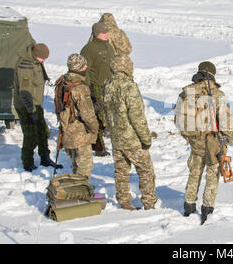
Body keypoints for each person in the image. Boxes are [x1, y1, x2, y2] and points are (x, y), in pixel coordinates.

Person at [174, 61, 233, 224]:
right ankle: (207, 209)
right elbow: (225, 120)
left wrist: (189, 137)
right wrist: (226, 140)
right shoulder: (217, 93)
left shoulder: (187, 93)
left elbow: (178, 120)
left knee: (194, 173)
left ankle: (189, 205)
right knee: (212, 175)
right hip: (213, 142)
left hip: (195, 142)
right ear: (213, 74)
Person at [103, 54, 158, 210]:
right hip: (132, 139)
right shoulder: (129, 86)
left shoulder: (108, 84)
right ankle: (149, 202)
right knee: (145, 170)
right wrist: (145, 138)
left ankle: (124, 201)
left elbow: (105, 112)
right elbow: (137, 116)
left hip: (116, 137)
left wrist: (111, 128)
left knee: (121, 171)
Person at [13, 43, 62, 172]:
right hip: (26, 106)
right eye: (43, 58)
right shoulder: (26, 66)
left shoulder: (35, 62)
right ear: (35, 55)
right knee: (31, 135)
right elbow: (24, 92)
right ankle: (28, 162)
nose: (44, 61)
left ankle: (45, 157)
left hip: (36, 104)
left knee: (42, 132)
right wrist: (31, 111)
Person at [54, 54, 98, 182]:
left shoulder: (62, 82)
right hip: (80, 134)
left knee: (75, 165)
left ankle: (76, 192)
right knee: (84, 168)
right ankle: (81, 195)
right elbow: (88, 115)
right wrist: (94, 130)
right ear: (82, 67)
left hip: (66, 130)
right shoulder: (80, 88)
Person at [81, 22, 114, 157]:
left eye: (107, 32)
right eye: (104, 33)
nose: (107, 34)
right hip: (96, 87)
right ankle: (99, 147)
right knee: (98, 117)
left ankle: (108, 131)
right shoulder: (89, 49)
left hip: (109, 86)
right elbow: (84, 70)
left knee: (109, 114)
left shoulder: (108, 46)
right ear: (97, 34)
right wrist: (88, 88)